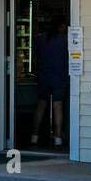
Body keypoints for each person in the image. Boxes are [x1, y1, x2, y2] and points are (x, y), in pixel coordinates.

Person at [31, 18, 69, 147]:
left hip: (43, 76)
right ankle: (57, 137)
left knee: (41, 105)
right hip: (59, 76)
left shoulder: (41, 39)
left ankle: (34, 136)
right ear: (61, 26)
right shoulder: (65, 40)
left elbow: (36, 57)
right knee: (58, 106)